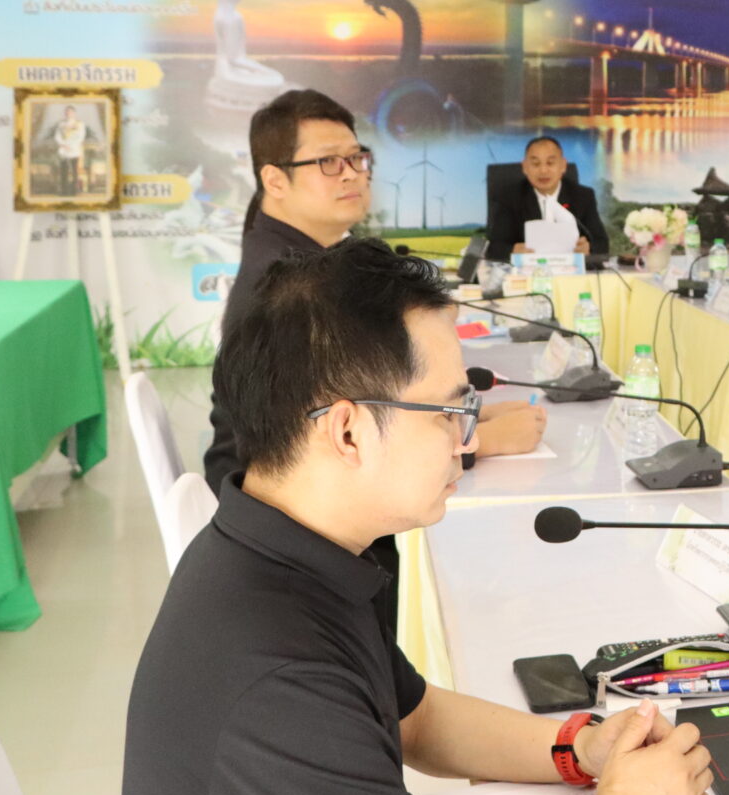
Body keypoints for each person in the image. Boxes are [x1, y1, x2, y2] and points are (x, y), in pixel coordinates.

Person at [122, 240, 713, 795]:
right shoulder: (278, 677)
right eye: (447, 414)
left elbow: (416, 718)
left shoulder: (294, 547)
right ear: (347, 432)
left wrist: (580, 747)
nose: (466, 441)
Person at [204, 89, 547, 496]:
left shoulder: (296, 256)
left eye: (357, 158)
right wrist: (475, 441)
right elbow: (329, 442)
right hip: (276, 503)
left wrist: (461, 417)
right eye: (328, 162)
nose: (352, 174)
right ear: (275, 180)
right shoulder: (287, 286)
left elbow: (368, 400)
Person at [485, 136, 610, 262]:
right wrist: (513, 250)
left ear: (563, 166)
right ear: (525, 167)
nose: (543, 171)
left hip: (569, 270)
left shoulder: (583, 196)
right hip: (527, 270)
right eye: (536, 164)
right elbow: (494, 248)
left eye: (550, 163)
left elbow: (602, 243)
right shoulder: (509, 197)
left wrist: (588, 248)